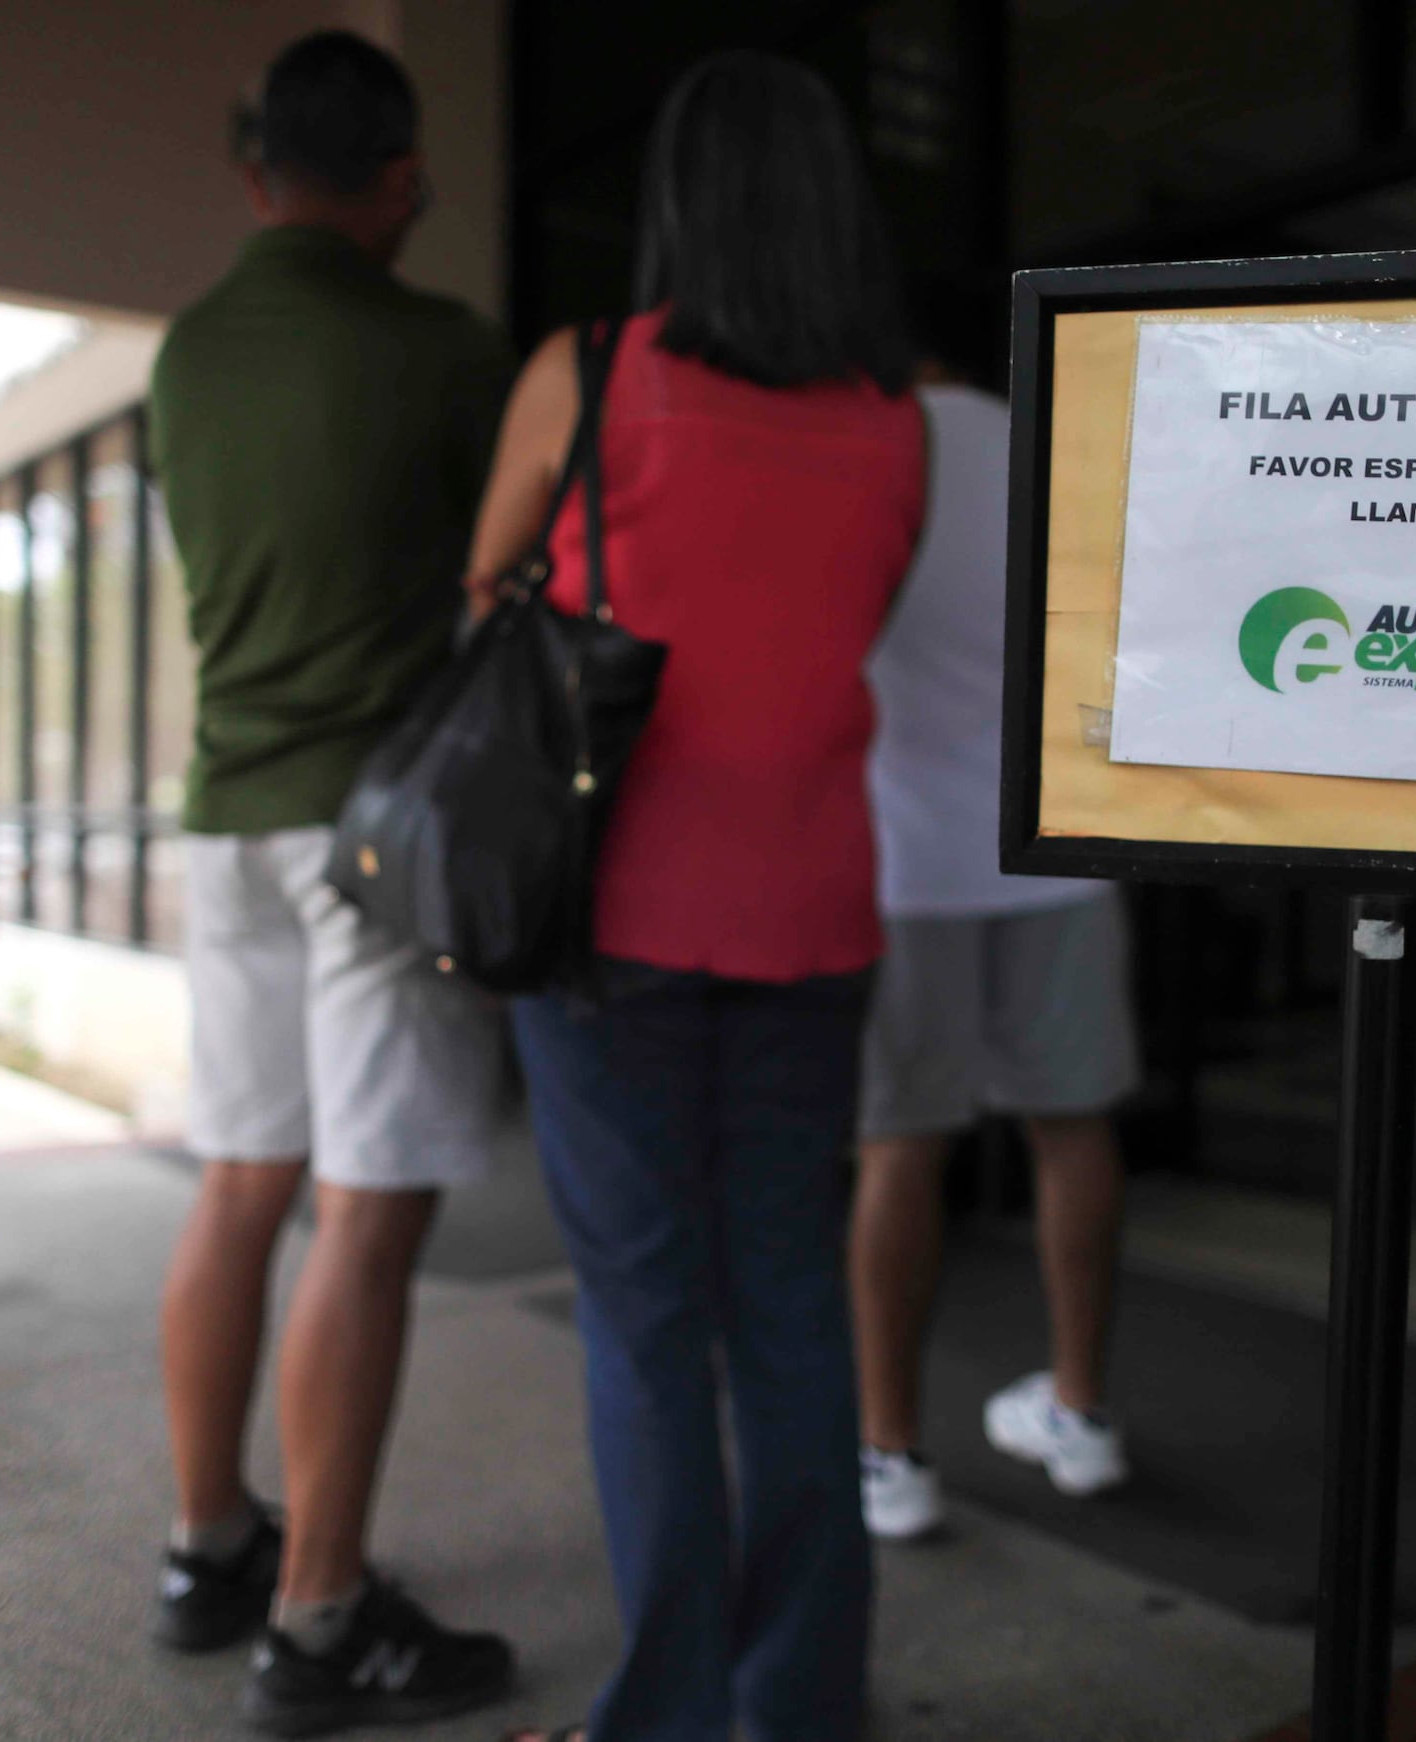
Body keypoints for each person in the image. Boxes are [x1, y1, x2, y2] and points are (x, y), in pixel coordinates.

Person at [470, 55, 926, 1742]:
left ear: (679, 201)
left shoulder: (588, 377)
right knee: (793, 1308)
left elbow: (486, 594)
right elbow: (841, 635)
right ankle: (799, 1703)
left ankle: (663, 1719)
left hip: (614, 914)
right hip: (816, 908)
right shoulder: (896, 422)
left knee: (650, 1318)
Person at [142, 30, 518, 1734]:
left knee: (241, 1184)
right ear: (399, 179)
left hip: (222, 816)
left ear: (250, 172)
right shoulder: (443, 348)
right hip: (374, 835)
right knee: (367, 1214)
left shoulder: (189, 351)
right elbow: (495, 573)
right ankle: (318, 1621)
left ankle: (209, 1545)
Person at [847, 363, 1142, 1542]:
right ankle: (1079, 1413)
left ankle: (891, 1453)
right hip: (1056, 843)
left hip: (904, 855)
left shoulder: (861, 452)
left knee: (898, 1148)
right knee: (1073, 1130)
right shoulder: (1050, 449)